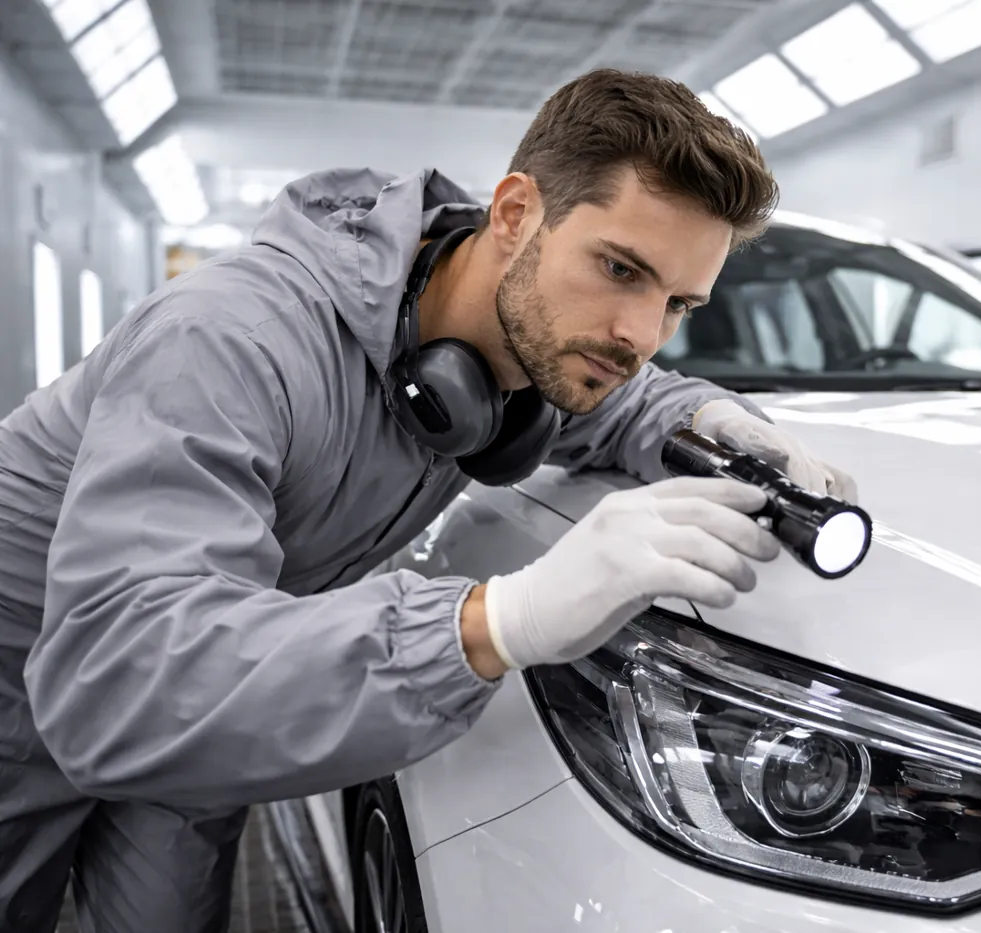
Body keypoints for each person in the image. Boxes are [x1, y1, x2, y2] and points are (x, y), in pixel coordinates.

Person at [0, 69, 857, 932]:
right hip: (36, 678)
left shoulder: (520, 357)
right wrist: (499, 620)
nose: (639, 332)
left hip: (215, 677)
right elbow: (107, 682)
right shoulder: (229, 340)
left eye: (675, 302)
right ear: (517, 215)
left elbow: (630, 403)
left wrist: (718, 423)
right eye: (619, 267)